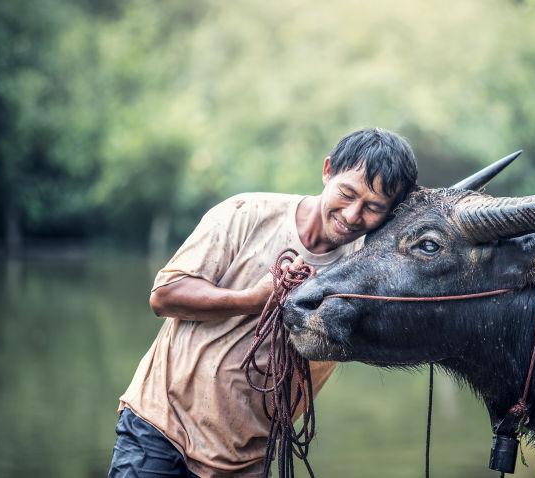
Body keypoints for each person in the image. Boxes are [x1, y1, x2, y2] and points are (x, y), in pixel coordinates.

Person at [108, 128, 418, 477]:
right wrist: (251, 300)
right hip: (162, 427)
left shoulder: (365, 270)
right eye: (347, 194)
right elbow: (165, 296)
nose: (351, 215)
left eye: (373, 208)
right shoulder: (245, 213)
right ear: (327, 170)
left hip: (246, 457)